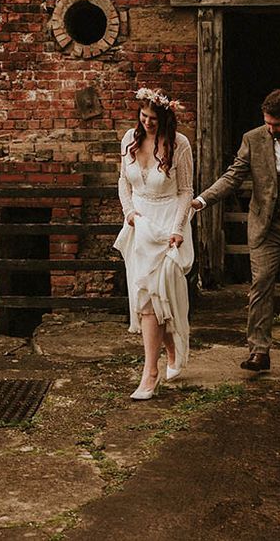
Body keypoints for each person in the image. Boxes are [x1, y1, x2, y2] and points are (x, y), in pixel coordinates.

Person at [191, 89, 280, 372]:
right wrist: (203, 199)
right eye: (267, 123)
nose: (271, 128)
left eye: (276, 125)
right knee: (262, 283)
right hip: (266, 225)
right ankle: (259, 351)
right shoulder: (252, 139)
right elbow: (233, 176)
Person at [114, 87, 194, 400]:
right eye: (143, 116)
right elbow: (123, 181)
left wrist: (178, 229)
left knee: (156, 299)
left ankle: (150, 373)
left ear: (165, 118)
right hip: (140, 225)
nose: (147, 122)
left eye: (153, 118)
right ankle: (171, 351)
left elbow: (186, 191)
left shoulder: (180, 144)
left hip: (168, 225)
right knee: (147, 298)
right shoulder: (128, 140)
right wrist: (130, 212)